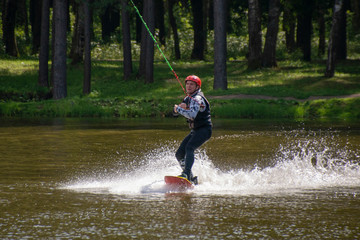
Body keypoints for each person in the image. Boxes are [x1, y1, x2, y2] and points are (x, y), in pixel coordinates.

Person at [173, 75, 212, 183]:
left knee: (189, 148)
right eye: (187, 84)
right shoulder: (187, 98)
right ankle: (190, 177)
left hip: (204, 130)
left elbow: (192, 115)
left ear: (197, 87)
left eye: (192, 84)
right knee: (179, 154)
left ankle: (186, 173)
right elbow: (175, 113)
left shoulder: (197, 98)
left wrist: (179, 109)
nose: (189, 86)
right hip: (195, 130)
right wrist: (177, 110)